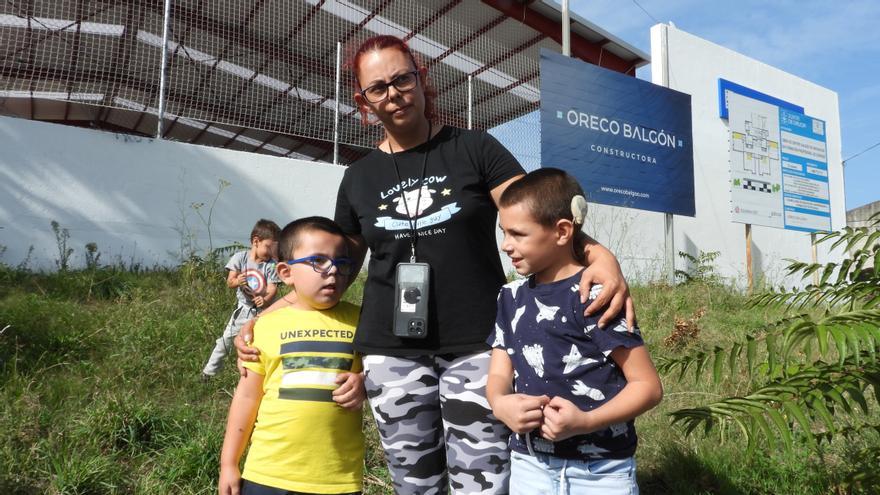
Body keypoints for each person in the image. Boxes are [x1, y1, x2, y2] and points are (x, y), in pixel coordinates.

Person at [237, 35, 636, 494]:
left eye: (402, 78)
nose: (393, 93)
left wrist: (599, 255)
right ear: (363, 100)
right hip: (390, 350)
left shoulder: (475, 149)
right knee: (414, 483)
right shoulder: (359, 177)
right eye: (378, 87)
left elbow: (540, 214)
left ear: (422, 80)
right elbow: (332, 268)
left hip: (480, 342)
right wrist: (269, 312)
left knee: (483, 481)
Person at [486, 168, 663, 495]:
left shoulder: (596, 296)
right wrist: (500, 404)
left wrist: (585, 422)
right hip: (529, 466)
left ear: (562, 231)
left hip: (601, 473)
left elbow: (647, 386)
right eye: (503, 233)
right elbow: (498, 374)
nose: (506, 246)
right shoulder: (509, 297)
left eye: (518, 234)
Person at [219, 217, 366, 495]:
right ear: (286, 273)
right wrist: (229, 463)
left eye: (341, 263)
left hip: (336, 480)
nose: (332, 271)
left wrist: (364, 383)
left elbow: (382, 373)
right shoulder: (265, 327)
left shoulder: (362, 322)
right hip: (268, 475)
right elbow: (247, 396)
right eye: (318, 261)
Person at [202, 219, 281, 378]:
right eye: (268, 247)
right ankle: (209, 373)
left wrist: (265, 299)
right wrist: (237, 280)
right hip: (244, 311)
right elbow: (230, 282)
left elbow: (273, 287)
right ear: (256, 241)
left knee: (261, 345)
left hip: (265, 313)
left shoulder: (271, 265)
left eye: (274, 249)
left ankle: (255, 376)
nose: (271, 253)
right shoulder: (240, 258)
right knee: (225, 341)